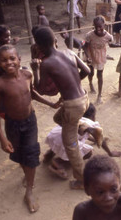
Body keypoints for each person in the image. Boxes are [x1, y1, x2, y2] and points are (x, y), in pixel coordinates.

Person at [0, 45, 59, 212]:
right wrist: (2, 138)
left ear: (19, 59)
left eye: (12, 58)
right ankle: (27, 175)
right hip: (12, 124)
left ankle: (29, 190)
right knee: (20, 154)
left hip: (30, 122)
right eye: (4, 60)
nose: (9, 62)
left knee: (31, 153)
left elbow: (32, 94)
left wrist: (51, 104)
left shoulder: (27, 75)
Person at [35, 27, 91, 189]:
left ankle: (81, 180)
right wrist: (72, 85)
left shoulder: (46, 64)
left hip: (73, 106)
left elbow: (41, 90)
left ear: (39, 47)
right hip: (84, 98)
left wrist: (35, 70)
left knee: (70, 144)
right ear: (55, 41)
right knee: (58, 118)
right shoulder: (69, 52)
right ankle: (82, 127)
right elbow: (87, 70)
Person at [45, 104, 121, 179]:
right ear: (93, 116)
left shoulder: (75, 118)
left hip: (53, 136)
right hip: (64, 141)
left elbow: (83, 134)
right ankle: (58, 163)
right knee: (88, 153)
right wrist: (110, 153)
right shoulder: (91, 124)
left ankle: (51, 152)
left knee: (63, 139)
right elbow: (101, 141)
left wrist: (95, 140)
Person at [84, 16, 113, 104]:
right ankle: (90, 83)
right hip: (91, 55)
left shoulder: (108, 36)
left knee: (100, 75)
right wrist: (87, 56)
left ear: (104, 25)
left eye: (100, 26)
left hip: (101, 57)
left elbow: (111, 44)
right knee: (91, 72)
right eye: (96, 26)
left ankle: (99, 95)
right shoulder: (90, 35)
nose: (98, 28)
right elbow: (85, 46)